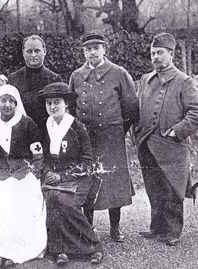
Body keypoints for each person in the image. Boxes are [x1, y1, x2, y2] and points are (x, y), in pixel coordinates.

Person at [69, 33, 139, 242]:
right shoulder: (76, 75)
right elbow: (70, 107)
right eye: (88, 48)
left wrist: (118, 129)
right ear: (83, 52)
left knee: (113, 181)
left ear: (104, 49)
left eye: (96, 47)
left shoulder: (118, 73)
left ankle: (115, 228)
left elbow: (131, 106)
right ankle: (88, 226)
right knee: (87, 180)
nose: (92, 52)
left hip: (111, 136)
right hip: (86, 137)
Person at [135, 33, 198, 246]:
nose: (155, 57)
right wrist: (137, 131)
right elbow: (138, 108)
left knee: (172, 188)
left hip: (172, 146)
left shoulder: (184, 81)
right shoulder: (145, 79)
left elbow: (195, 112)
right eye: (153, 53)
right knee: (153, 187)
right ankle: (156, 227)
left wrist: (176, 131)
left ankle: (173, 231)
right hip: (147, 143)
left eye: (160, 53)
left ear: (171, 54)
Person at [0, 84, 47, 268]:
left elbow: (38, 155)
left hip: (23, 173)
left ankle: (12, 252)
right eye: (3, 101)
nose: (7, 105)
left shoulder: (27, 124)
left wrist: (33, 173)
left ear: (16, 103)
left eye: (11, 101)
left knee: (19, 200)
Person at [38, 82, 103, 266]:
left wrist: (63, 176)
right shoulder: (44, 127)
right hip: (53, 178)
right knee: (51, 199)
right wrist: (48, 171)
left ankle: (94, 246)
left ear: (66, 103)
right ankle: (60, 250)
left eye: (56, 102)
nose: (52, 107)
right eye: (49, 103)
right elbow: (40, 157)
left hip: (78, 178)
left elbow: (87, 162)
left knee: (67, 202)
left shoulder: (77, 128)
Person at [8, 35, 62, 126]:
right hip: (22, 131)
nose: (33, 55)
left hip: (47, 131)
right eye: (29, 51)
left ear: (44, 52)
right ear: (23, 53)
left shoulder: (54, 79)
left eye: (37, 51)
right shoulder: (13, 79)